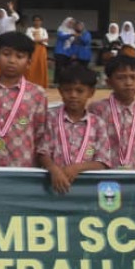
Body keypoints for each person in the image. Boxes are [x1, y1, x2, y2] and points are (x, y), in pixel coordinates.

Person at [0, 31, 48, 167]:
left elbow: (40, 134)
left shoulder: (37, 94)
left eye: (19, 56)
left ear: (29, 62)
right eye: (6, 54)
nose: (12, 61)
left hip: (22, 166)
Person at [37, 64, 111, 194]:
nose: (73, 95)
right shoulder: (50, 117)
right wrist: (54, 170)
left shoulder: (98, 123)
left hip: (86, 189)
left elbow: (103, 162)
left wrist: (77, 168)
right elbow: (43, 152)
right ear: (60, 91)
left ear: (91, 92)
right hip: (54, 183)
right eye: (67, 90)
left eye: (79, 90)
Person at [91, 55, 135, 170]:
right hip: (105, 174)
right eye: (121, 78)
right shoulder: (97, 110)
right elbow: (90, 144)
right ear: (109, 82)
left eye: (133, 77)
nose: (128, 83)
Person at [24, 15, 49, 87]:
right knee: (31, 64)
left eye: (39, 20)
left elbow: (46, 39)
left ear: (41, 22)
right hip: (33, 49)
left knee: (41, 64)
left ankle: (41, 82)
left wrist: (38, 40)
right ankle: (30, 80)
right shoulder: (29, 29)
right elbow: (30, 39)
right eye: (35, 20)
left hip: (41, 49)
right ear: (33, 21)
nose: (37, 22)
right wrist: (40, 40)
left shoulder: (43, 30)